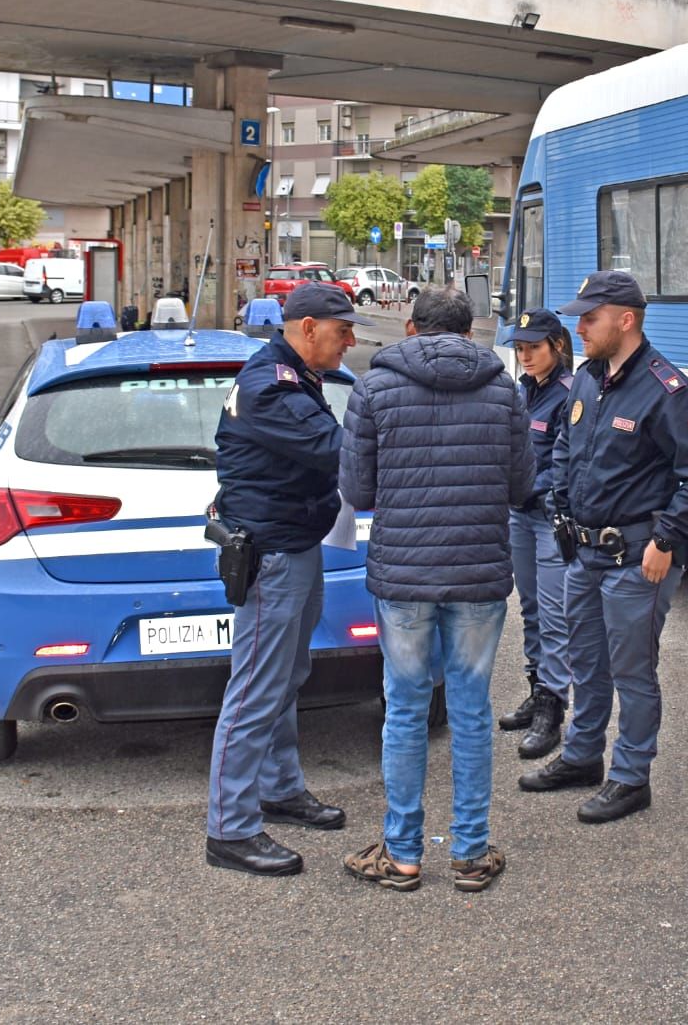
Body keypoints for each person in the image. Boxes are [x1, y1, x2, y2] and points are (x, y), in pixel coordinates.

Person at [338, 288, 532, 893]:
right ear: (473, 332)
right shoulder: (505, 390)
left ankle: (402, 854)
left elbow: (358, 488)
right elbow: (523, 485)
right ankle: (471, 854)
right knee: (471, 709)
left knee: (405, 708)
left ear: (410, 327)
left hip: (404, 573)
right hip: (478, 571)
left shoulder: (374, 387)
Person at [522, 270, 688, 824]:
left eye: (590, 317)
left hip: (636, 559)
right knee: (586, 663)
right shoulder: (589, 378)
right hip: (583, 555)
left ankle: (632, 777)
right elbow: (566, 444)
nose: (579, 327)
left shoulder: (666, 391)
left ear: (625, 319)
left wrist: (667, 540)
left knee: (633, 671)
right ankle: (584, 755)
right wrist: (558, 503)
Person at [204, 282, 359, 877]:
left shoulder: (294, 373)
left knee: (288, 674)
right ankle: (231, 829)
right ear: (308, 327)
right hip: (273, 554)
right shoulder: (271, 386)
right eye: (341, 331)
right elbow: (336, 449)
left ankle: (279, 788)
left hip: (295, 544)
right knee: (254, 690)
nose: (349, 341)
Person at [496, 308, 575, 761]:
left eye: (533, 348)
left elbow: (566, 466)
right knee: (530, 610)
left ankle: (552, 709)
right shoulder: (525, 391)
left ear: (556, 347)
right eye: (520, 348)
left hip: (547, 519)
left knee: (554, 614)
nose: (524, 355)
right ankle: (536, 688)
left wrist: (527, 488)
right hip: (520, 517)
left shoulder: (568, 395)